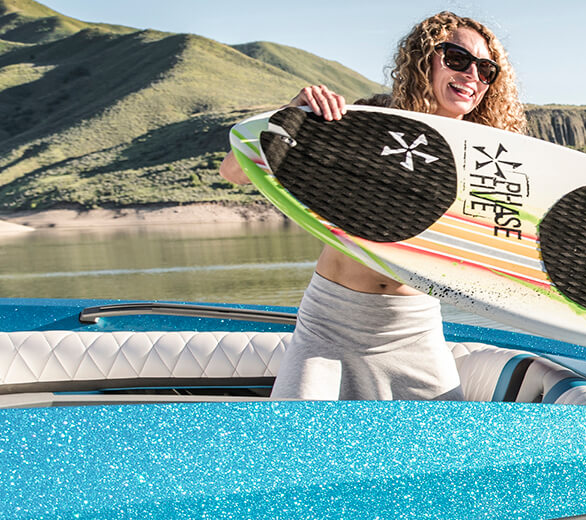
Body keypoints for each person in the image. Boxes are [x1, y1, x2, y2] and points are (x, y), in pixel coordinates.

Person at [219, 12, 527, 400]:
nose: (472, 76)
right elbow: (234, 170)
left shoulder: (485, 161)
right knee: (294, 451)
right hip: (328, 326)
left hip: (413, 329)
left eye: (486, 69)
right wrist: (292, 116)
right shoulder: (367, 121)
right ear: (424, 59)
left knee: (449, 456)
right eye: (457, 59)